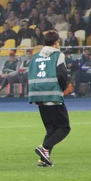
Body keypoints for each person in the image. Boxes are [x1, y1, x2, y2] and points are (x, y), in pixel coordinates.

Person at [29, 30, 71, 167]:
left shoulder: (35, 57)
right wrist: (64, 88)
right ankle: (44, 147)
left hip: (38, 96)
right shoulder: (58, 54)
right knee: (64, 128)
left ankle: (43, 160)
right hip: (53, 95)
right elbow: (62, 74)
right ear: (56, 42)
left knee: (51, 129)